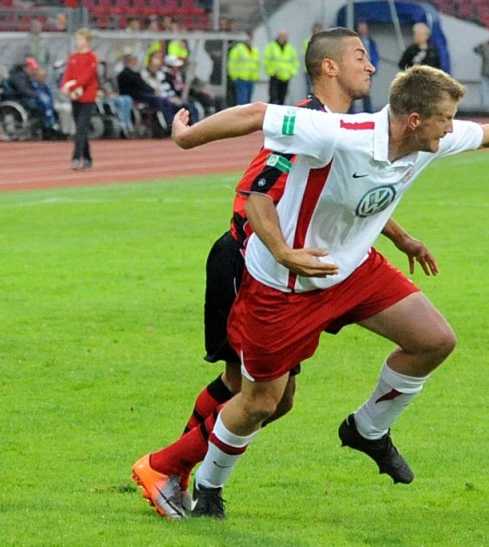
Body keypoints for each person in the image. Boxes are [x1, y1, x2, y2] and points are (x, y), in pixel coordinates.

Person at [133, 62, 489, 521]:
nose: (452, 129)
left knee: (434, 340)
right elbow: (255, 140)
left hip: (352, 271)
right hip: (286, 284)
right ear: (414, 121)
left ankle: (367, 429)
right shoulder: (336, 132)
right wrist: (187, 140)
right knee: (263, 402)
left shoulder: (427, 139)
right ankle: (209, 487)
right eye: (445, 119)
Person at [131, 26, 439, 520]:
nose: (372, 65)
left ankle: (172, 468)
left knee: (271, 399)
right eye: (361, 55)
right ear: (330, 67)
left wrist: (400, 237)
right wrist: (282, 251)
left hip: (285, 266)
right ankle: (167, 469)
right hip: (251, 263)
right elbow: (257, 191)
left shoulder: (339, 124)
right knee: (254, 395)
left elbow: (345, 198)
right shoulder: (309, 121)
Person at [61, 27, 99, 170]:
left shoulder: (92, 58)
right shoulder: (73, 57)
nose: (78, 42)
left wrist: (74, 86)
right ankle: (88, 158)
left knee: (81, 129)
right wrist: (65, 86)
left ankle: (76, 157)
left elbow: (87, 77)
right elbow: (68, 74)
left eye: (80, 39)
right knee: (80, 129)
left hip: (87, 98)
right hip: (74, 98)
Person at [264, 30, 299, 105]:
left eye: (284, 36)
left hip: (286, 77)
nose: (283, 38)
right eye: (281, 36)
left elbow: (295, 62)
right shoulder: (271, 47)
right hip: (275, 76)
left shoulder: (290, 48)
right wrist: (271, 72)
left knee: (282, 98)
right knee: (273, 97)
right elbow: (266, 61)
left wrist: (292, 73)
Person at [227, 30, 260, 105]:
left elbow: (256, 64)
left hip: (251, 78)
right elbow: (232, 63)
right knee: (242, 100)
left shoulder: (254, 49)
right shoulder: (238, 49)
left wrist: (256, 76)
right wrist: (234, 76)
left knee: (248, 100)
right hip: (241, 78)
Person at [352, 20, 379, 113]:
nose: (363, 29)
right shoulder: (354, 41)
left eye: (364, 27)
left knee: (366, 92)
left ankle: (368, 111)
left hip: (367, 69)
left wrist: (374, 66)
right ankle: (350, 112)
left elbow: (374, 54)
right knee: (353, 90)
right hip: (356, 69)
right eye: (361, 27)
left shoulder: (370, 41)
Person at [303, 22, 324, 96]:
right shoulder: (308, 41)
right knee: (309, 88)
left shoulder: (325, 43)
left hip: (321, 69)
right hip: (310, 69)